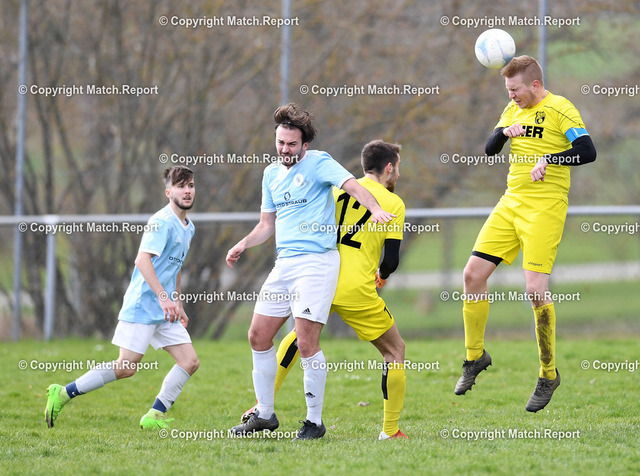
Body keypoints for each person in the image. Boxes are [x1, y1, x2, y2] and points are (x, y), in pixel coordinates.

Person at [226, 104, 394, 440]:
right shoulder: (270, 174)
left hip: (317, 263)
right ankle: (265, 414)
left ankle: (314, 422)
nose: (285, 149)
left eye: (291, 144)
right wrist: (244, 243)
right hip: (284, 264)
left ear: (304, 144)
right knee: (258, 335)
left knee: (306, 343)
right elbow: (266, 224)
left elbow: (352, 186)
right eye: (280, 143)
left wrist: (375, 208)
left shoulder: (319, 162)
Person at [454, 56, 596, 412]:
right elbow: (489, 148)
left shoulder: (560, 108)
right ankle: (475, 357)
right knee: (472, 275)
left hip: (545, 208)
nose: (511, 95)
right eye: (508, 90)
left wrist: (550, 159)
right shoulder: (512, 110)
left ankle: (548, 374)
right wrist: (504, 133)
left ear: (535, 84)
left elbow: (587, 151)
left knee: (535, 291)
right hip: (510, 203)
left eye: (515, 89)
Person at [44, 166, 199, 429]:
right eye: (180, 186)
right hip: (143, 305)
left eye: (191, 185)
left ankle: (154, 415)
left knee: (190, 361)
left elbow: (176, 267)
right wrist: (164, 297)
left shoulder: (188, 227)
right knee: (126, 367)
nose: (187, 191)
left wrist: (178, 303)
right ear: (168, 192)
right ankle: (63, 393)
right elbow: (142, 260)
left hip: (165, 309)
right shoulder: (161, 222)